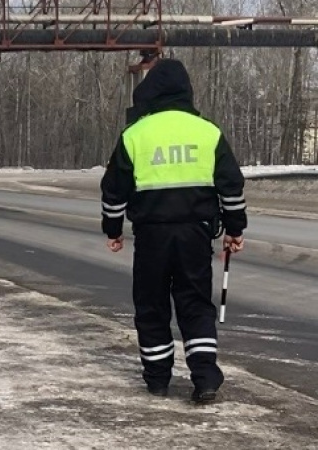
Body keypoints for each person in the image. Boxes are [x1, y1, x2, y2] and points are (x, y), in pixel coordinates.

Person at [100, 58, 247, 403]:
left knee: (151, 306)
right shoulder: (207, 132)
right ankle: (205, 378)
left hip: (151, 237)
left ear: (149, 91)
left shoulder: (135, 134)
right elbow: (231, 187)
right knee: (195, 304)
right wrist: (235, 229)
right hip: (195, 235)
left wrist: (113, 229)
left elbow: (114, 190)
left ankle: (157, 380)